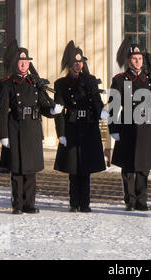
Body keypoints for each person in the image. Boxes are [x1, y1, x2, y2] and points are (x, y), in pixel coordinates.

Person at [0, 40, 63, 214]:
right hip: (16, 128)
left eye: (26, 61)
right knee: (17, 170)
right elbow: (2, 112)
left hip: (33, 128)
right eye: (20, 61)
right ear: (15, 63)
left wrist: (53, 110)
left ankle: (30, 204)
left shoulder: (36, 83)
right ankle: (18, 204)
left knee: (31, 170)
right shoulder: (6, 83)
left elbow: (42, 106)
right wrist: (3, 134)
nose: (24, 64)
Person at [54, 41, 108, 213]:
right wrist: (60, 133)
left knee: (86, 168)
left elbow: (96, 101)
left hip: (88, 127)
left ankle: (85, 203)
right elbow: (59, 109)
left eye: (81, 62)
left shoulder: (90, 81)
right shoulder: (61, 84)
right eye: (75, 62)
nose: (78, 65)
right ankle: (73, 202)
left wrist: (102, 112)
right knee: (73, 169)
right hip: (71, 126)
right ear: (69, 64)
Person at [108, 40, 151, 211]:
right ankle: (130, 200)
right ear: (128, 60)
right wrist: (113, 129)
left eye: (140, 58)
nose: (138, 61)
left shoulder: (149, 79)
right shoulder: (120, 80)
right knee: (128, 167)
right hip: (128, 126)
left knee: (144, 167)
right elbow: (113, 106)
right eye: (134, 58)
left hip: (146, 127)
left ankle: (142, 200)